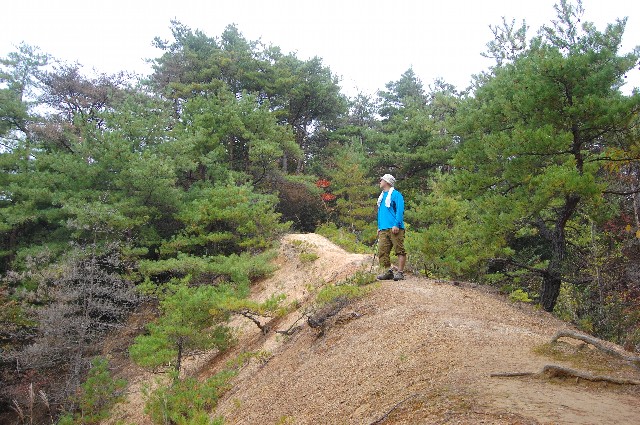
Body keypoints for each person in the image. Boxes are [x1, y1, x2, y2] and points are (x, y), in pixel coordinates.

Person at [376, 174, 406, 281]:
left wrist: (396, 224)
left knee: (399, 250)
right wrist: (379, 227)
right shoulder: (381, 197)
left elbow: (400, 210)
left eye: (382, 180)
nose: (380, 182)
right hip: (383, 228)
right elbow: (380, 213)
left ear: (387, 182)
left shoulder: (396, 195)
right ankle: (388, 272)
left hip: (395, 228)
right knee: (382, 251)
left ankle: (400, 272)